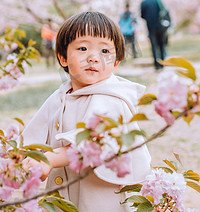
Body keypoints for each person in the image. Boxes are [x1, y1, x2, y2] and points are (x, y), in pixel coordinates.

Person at [22, 12, 151, 212]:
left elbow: (94, 142)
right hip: (63, 194)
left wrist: (50, 159)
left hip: (99, 198)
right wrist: (26, 158)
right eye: (83, 48)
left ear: (116, 63)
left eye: (105, 51)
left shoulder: (110, 98)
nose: (93, 57)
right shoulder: (60, 96)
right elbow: (32, 136)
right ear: (63, 57)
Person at [140, 0, 167, 70]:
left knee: (154, 46)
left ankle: (157, 65)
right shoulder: (157, 0)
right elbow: (164, 11)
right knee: (161, 45)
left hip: (151, 27)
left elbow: (142, 15)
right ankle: (163, 63)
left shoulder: (143, 3)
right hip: (160, 26)